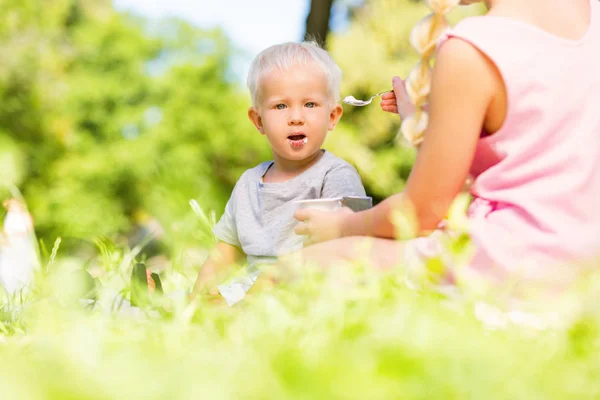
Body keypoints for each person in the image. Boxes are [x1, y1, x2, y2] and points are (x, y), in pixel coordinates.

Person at [293, 0, 600, 288]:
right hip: (586, 266)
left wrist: (342, 227)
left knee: (296, 267)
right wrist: (422, 120)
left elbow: (421, 213)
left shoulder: (473, 47)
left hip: (509, 266)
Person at [191, 41, 367, 305]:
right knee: (199, 305)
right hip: (250, 294)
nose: (296, 117)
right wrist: (197, 297)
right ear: (258, 121)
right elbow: (225, 251)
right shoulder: (249, 184)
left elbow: (353, 248)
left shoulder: (335, 176)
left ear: (332, 116)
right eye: (281, 106)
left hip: (310, 290)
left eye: (310, 104)